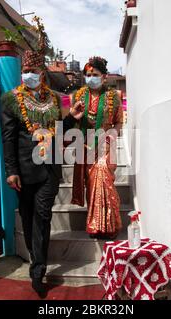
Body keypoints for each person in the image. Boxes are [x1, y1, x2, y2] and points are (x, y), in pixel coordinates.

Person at [1, 17, 83, 297]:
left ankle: (38, 271)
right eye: (25, 71)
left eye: (33, 70)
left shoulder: (53, 100)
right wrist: (11, 170)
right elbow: (9, 137)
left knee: (43, 215)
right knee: (28, 217)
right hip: (24, 169)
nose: (28, 75)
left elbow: (59, 133)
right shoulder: (11, 99)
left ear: (42, 73)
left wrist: (71, 118)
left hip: (49, 168)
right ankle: (37, 260)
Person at [70, 56, 124, 240]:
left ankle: (109, 225)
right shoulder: (77, 96)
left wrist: (111, 135)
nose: (90, 77)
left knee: (103, 179)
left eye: (95, 74)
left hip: (106, 145)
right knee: (91, 184)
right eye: (88, 74)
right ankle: (96, 225)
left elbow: (118, 122)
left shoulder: (114, 97)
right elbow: (73, 122)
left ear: (104, 77)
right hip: (85, 146)